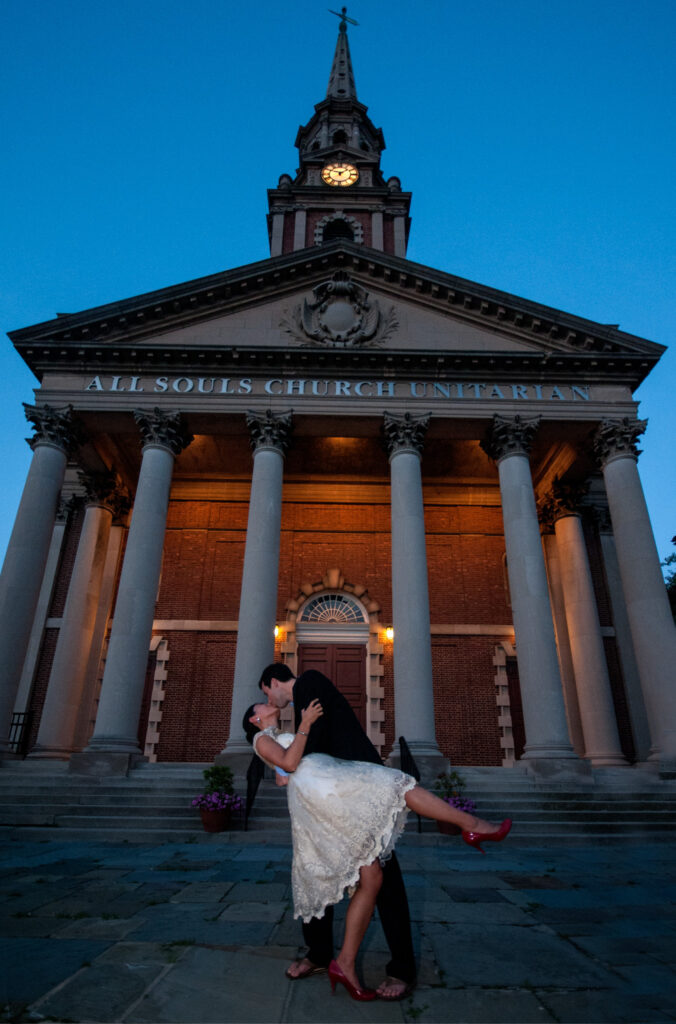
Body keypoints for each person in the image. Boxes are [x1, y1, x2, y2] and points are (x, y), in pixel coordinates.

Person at [246, 664, 511, 1001]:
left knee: (384, 882)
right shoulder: (281, 725)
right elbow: (291, 764)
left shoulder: (308, 682)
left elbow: (314, 745)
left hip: (356, 786)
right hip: (329, 795)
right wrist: (292, 751)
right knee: (319, 873)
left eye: (265, 692)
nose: (266, 698)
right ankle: (320, 954)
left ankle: (400, 968)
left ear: (272, 682)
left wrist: (298, 748)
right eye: (262, 702)